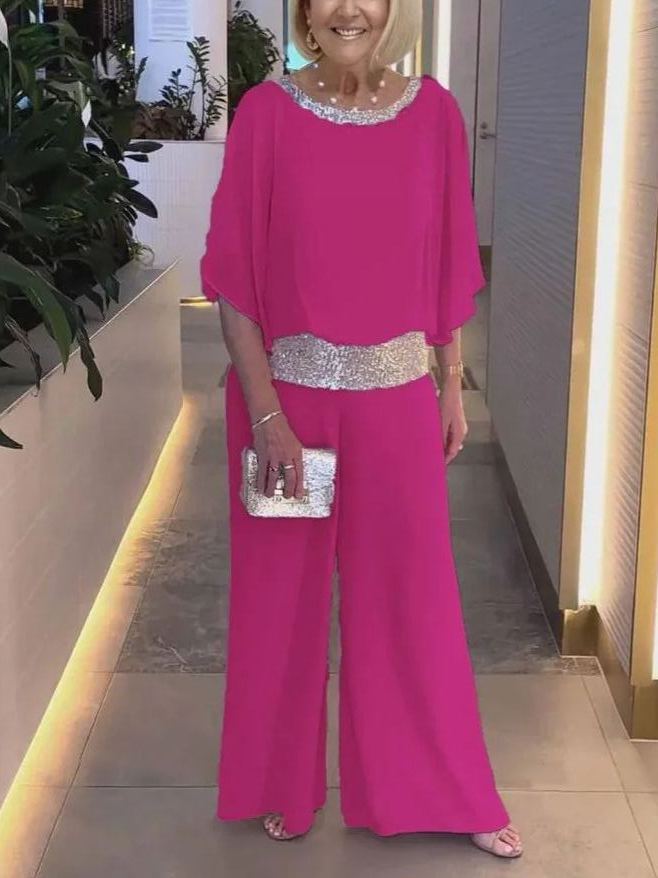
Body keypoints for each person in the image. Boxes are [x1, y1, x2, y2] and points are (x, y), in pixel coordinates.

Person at [200, 0, 523, 860]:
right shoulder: (266, 115)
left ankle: (443, 791)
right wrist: (267, 417)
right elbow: (233, 281)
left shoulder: (434, 115)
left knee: (413, 601)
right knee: (280, 603)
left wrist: (450, 385)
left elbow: (446, 262)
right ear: (307, 12)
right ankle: (282, 783)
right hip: (287, 405)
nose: (349, 8)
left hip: (395, 401)